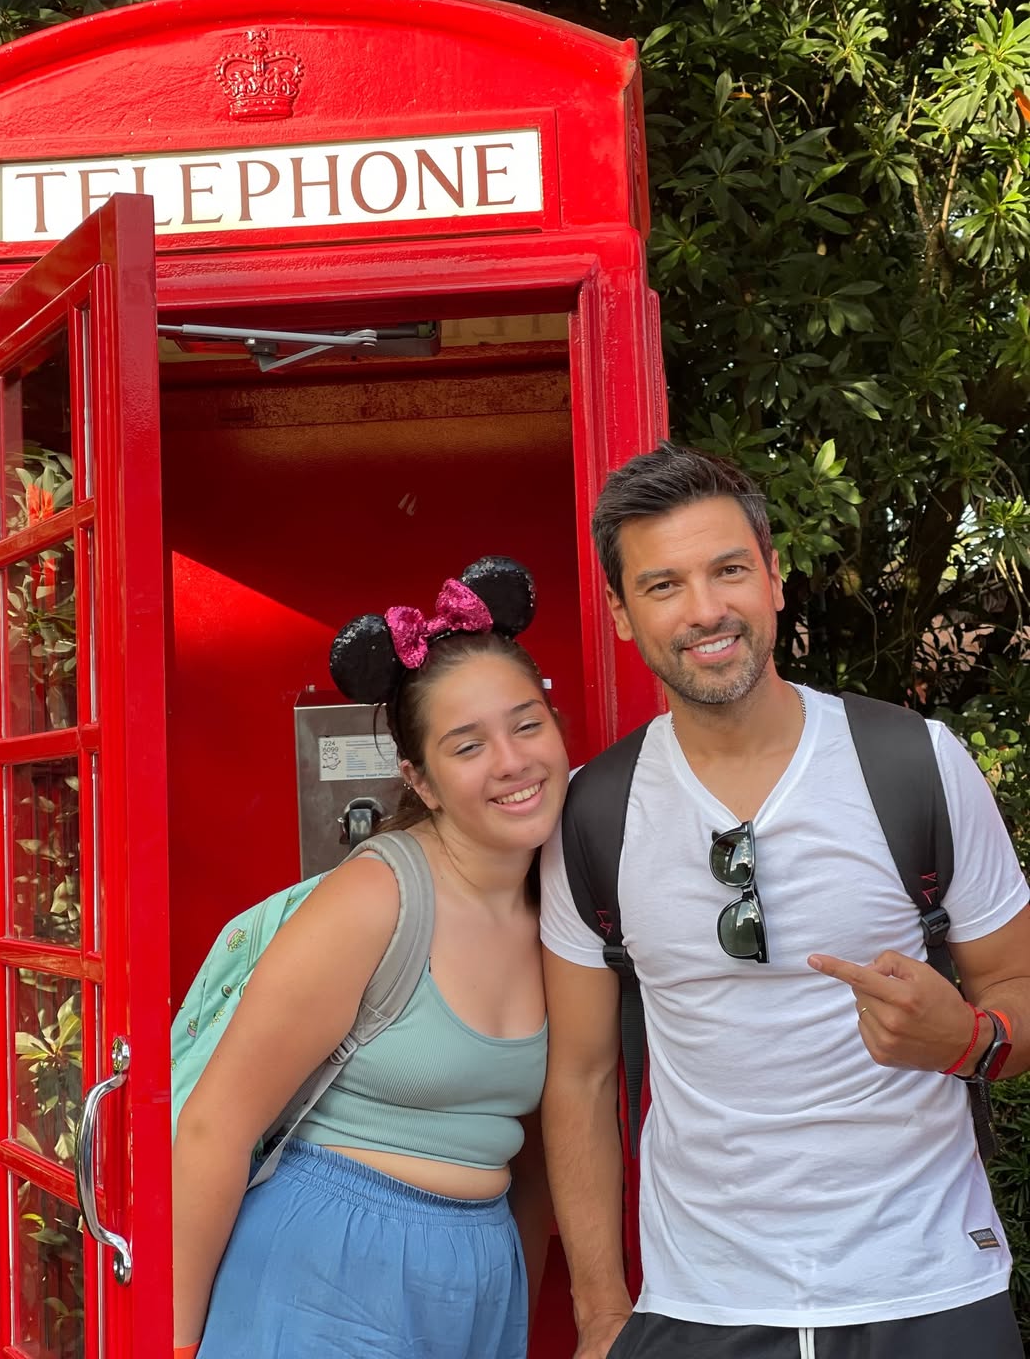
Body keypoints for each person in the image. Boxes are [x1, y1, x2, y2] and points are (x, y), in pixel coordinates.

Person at [539, 442, 1030, 1359]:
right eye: (663, 585)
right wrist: (602, 1309)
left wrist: (969, 1039)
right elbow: (581, 1077)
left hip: (929, 1286)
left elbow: (1017, 980)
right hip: (700, 1304)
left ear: (774, 576)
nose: (705, 609)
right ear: (619, 612)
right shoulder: (595, 812)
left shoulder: (915, 763)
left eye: (728, 570)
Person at [172, 557, 569, 1359]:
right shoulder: (375, 899)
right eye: (467, 746)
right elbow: (216, 1125)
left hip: (478, 1278)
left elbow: (545, 1142)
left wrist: (517, 1295)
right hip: (326, 1270)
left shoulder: (563, 902)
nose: (512, 762)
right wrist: (172, 1345)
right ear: (418, 779)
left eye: (527, 725)